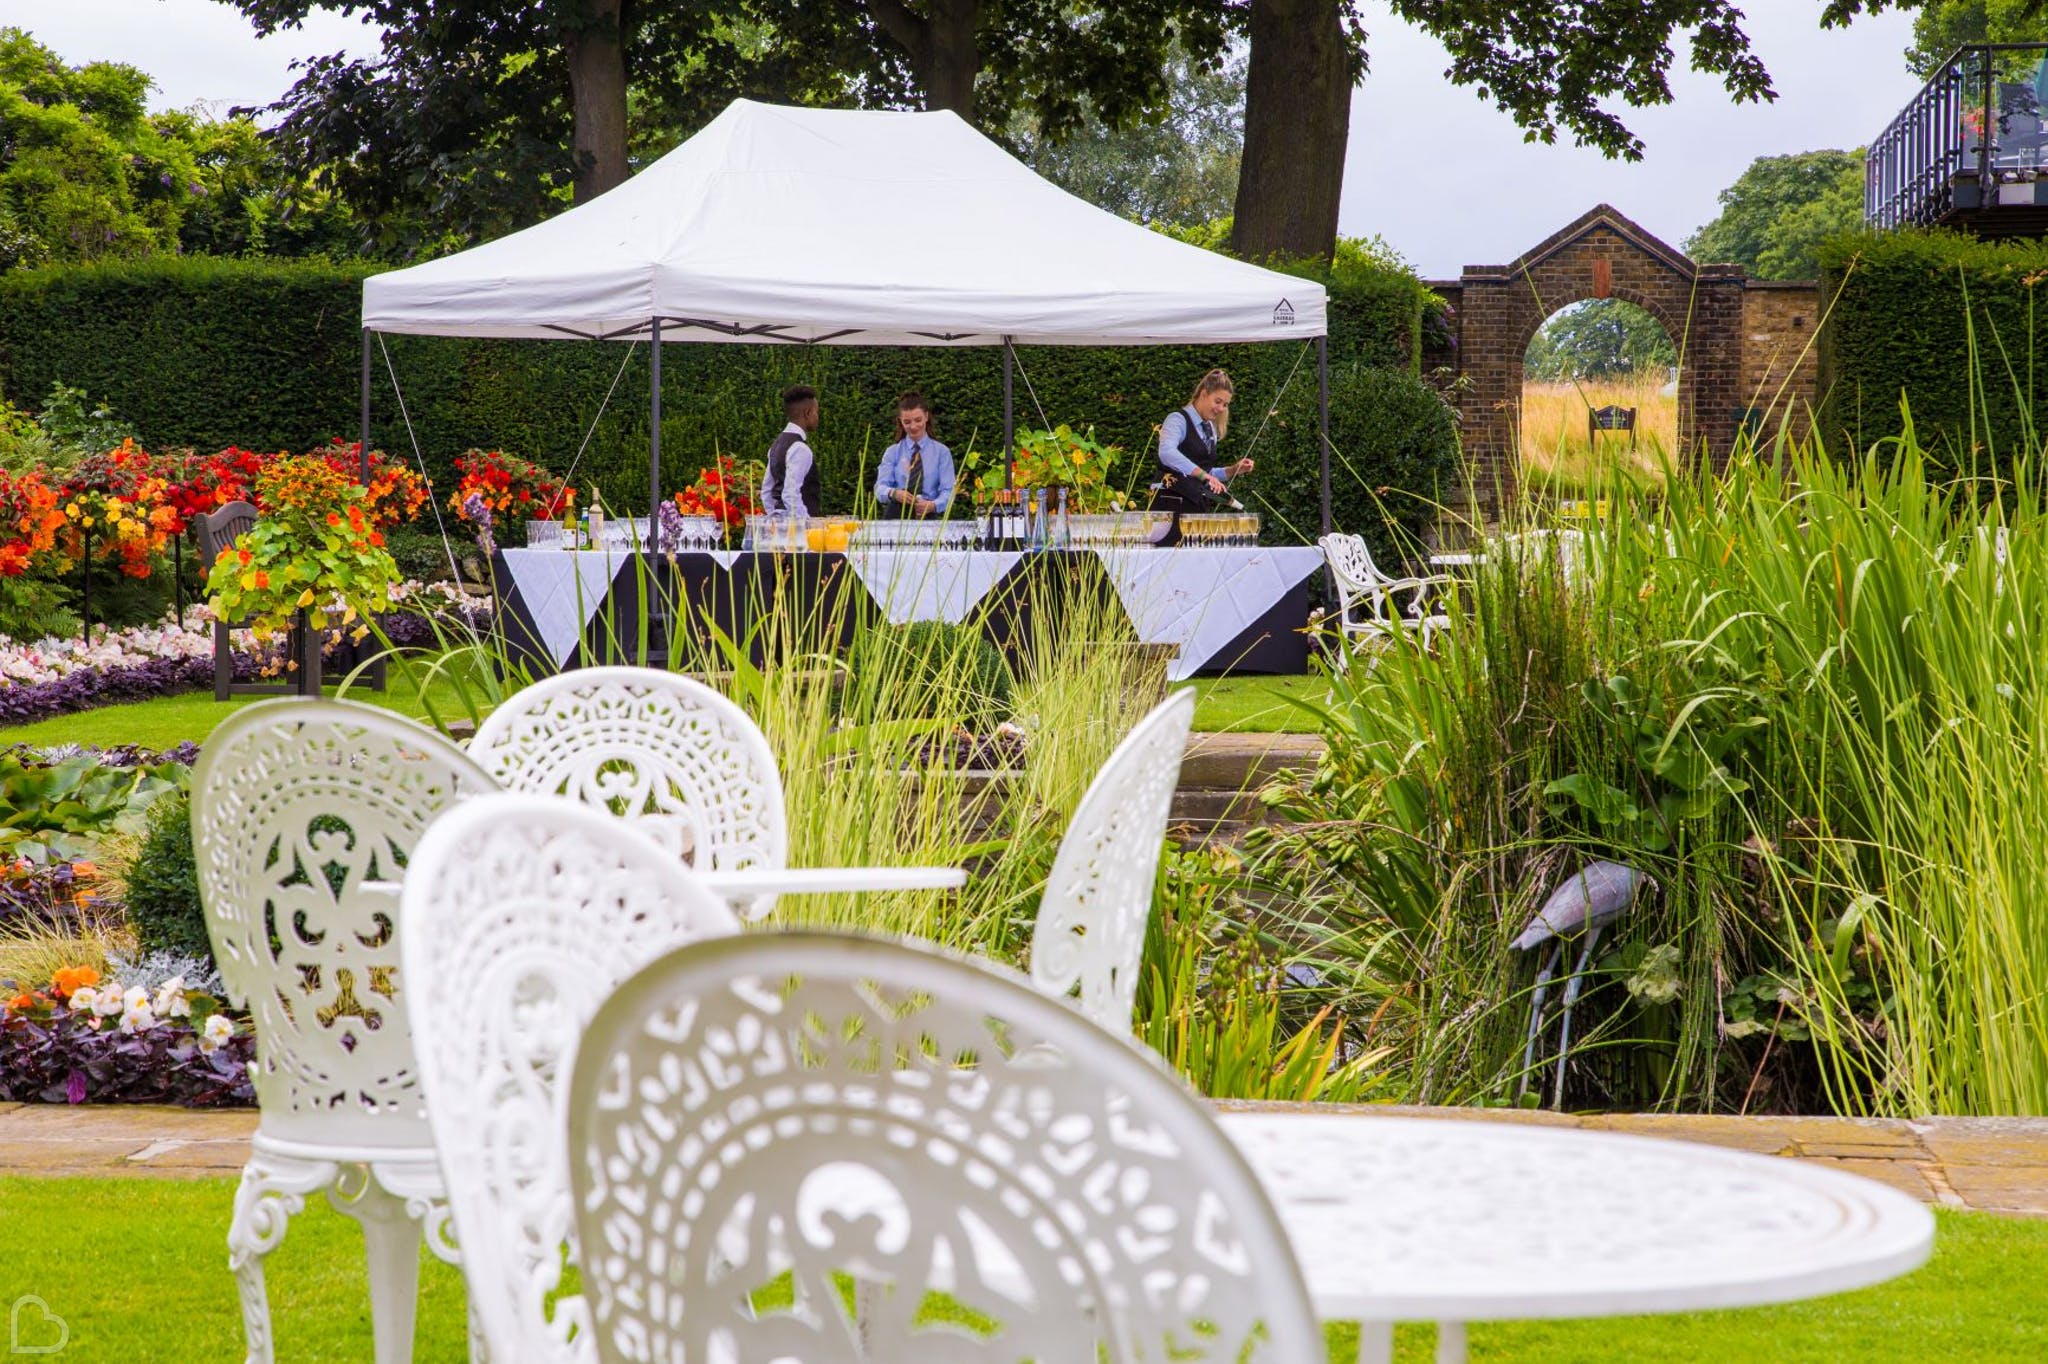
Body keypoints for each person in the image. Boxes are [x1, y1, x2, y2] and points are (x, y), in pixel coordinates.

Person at [1151, 369, 1254, 538]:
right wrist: (1204, 476)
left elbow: (1206, 471)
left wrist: (1233, 470)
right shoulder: (1177, 419)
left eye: (1226, 404)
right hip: (1169, 506)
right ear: (1204, 394)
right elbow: (1167, 452)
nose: (1221, 409)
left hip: (1196, 507)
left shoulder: (1210, 429)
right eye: (1218, 401)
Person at [873, 391, 955, 519]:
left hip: (928, 518)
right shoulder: (892, 452)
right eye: (907, 422)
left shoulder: (942, 452)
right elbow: (879, 488)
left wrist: (933, 505)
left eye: (918, 420)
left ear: (926, 417)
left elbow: (949, 492)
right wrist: (894, 493)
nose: (913, 426)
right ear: (901, 422)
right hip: (895, 517)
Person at [761, 384, 823, 519]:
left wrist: (776, 518)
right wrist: (806, 523)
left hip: (782, 527)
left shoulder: (776, 445)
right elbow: (790, 494)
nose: (817, 417)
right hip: (800, 531)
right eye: (816, 412)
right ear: (808, 413)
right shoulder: (800, 448)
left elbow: (767, 491)